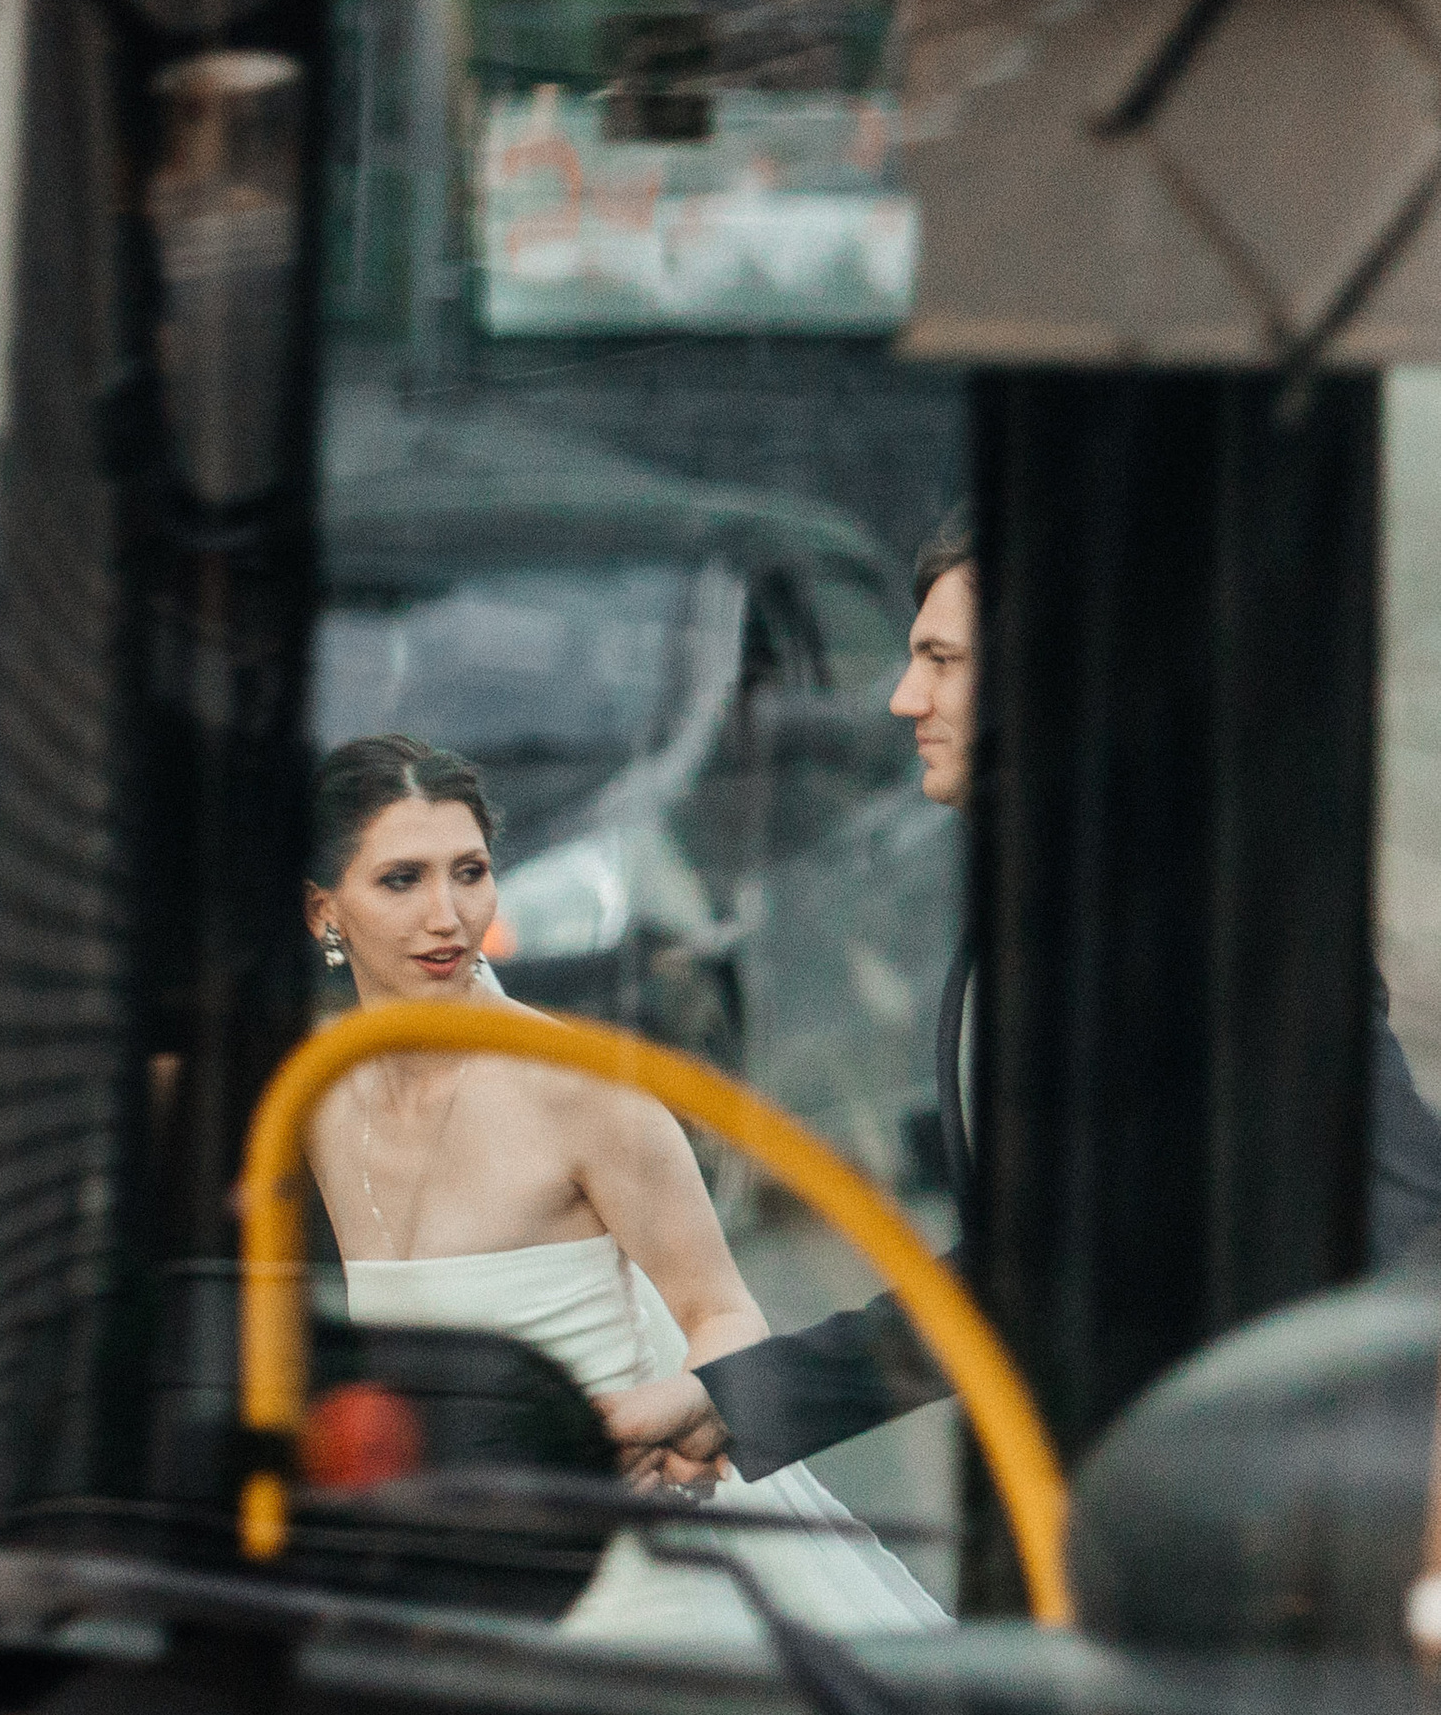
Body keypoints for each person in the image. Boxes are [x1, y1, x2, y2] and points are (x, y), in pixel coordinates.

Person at [605, 514, 1441, 1486]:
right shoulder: (1067, 889)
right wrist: (741, 1402)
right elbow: (1039, 1260)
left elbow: (1384, 1201)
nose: (901, 698)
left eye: (941, 660)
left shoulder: (1177, 906)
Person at [305, 731, 940, 1633]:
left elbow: (724, 1313)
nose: (447, 914)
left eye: (471, 871)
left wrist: (685, 1411)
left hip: (622, 1572)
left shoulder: (587, 1093)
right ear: (323, 911)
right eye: (402, 880)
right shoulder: (317, 1096)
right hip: (434, 1575)